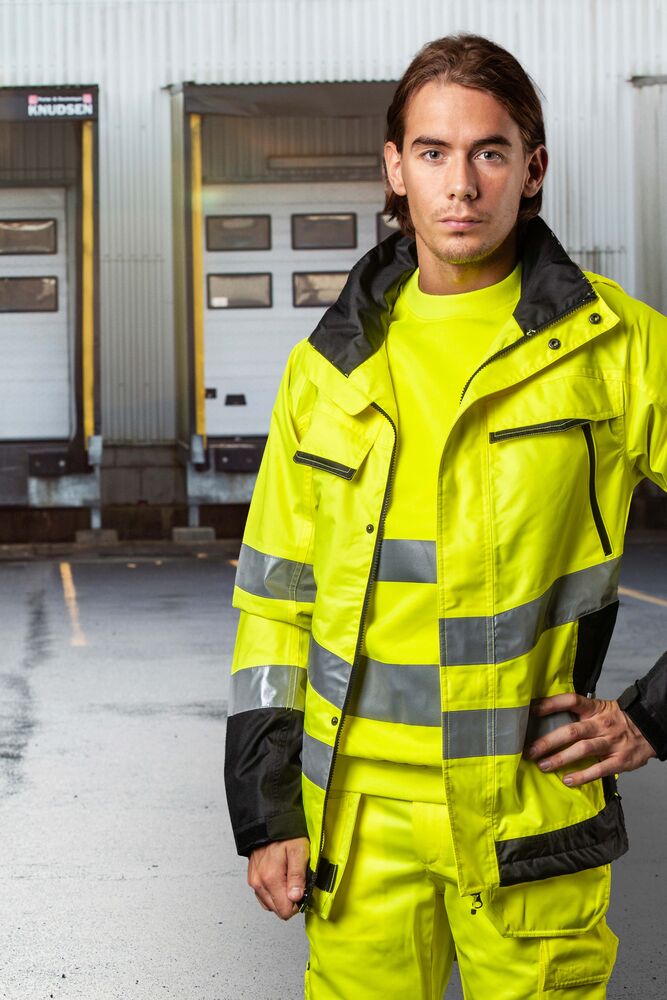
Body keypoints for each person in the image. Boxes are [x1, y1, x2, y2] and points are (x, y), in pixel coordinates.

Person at [224, 33, 667, 999]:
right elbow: (273, 605)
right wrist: (266, 812)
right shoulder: (327, 370)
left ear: (532, 169)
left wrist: (651, 717)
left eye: (488, 152)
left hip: (527, 815)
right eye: (432, 152)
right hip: (353, 828)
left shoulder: (615, 347)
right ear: (395, 167)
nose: (460, 184)